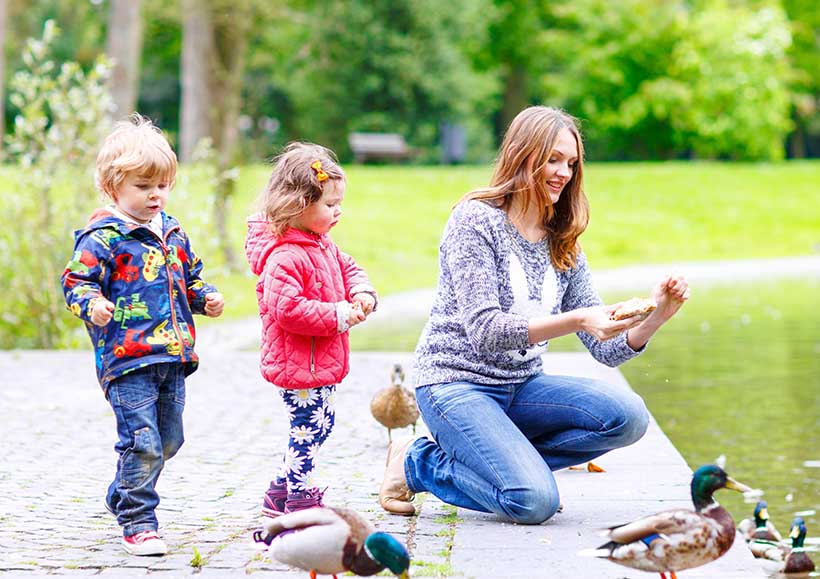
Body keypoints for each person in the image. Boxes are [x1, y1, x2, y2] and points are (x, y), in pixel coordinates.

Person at [379, 106, 690, 524]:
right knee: (533, 501)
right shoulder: (475, 221)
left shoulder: (562, 240)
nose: (564, 172)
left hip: (522, 387)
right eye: (553, 159)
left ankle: (513, 466)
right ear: (523, 156)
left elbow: (608, 351)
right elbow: (486, 331)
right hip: (454, 385)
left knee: (628, 417)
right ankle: (418, 462)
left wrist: (657, 315)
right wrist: (578, 318)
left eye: (572, 163)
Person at [61, 114, 225, 556]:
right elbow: (76, 282)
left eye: (163, 185)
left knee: (169, 441)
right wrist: (92, 305)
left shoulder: (172, 232)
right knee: (142, 442)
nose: (156, 195)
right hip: (127, 358)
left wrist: (204, 297)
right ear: (113, 187)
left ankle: (121, 492)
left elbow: (189, 280)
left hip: (172, 357)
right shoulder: (103, 237)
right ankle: (138, 521)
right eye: (144, 186)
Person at [245, 142, 377, 516]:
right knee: (306, 427)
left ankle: (279, 490)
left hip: (320, 361)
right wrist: (338, 315)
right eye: (330, 205)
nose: (338, 212)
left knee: (321, 424)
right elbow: (287, 309)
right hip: (298, 363)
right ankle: (300, 496)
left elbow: (348, 267)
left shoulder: (320, 243)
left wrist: (362, 291)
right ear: (299, 205)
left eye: (339, 204)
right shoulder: (285, 255)